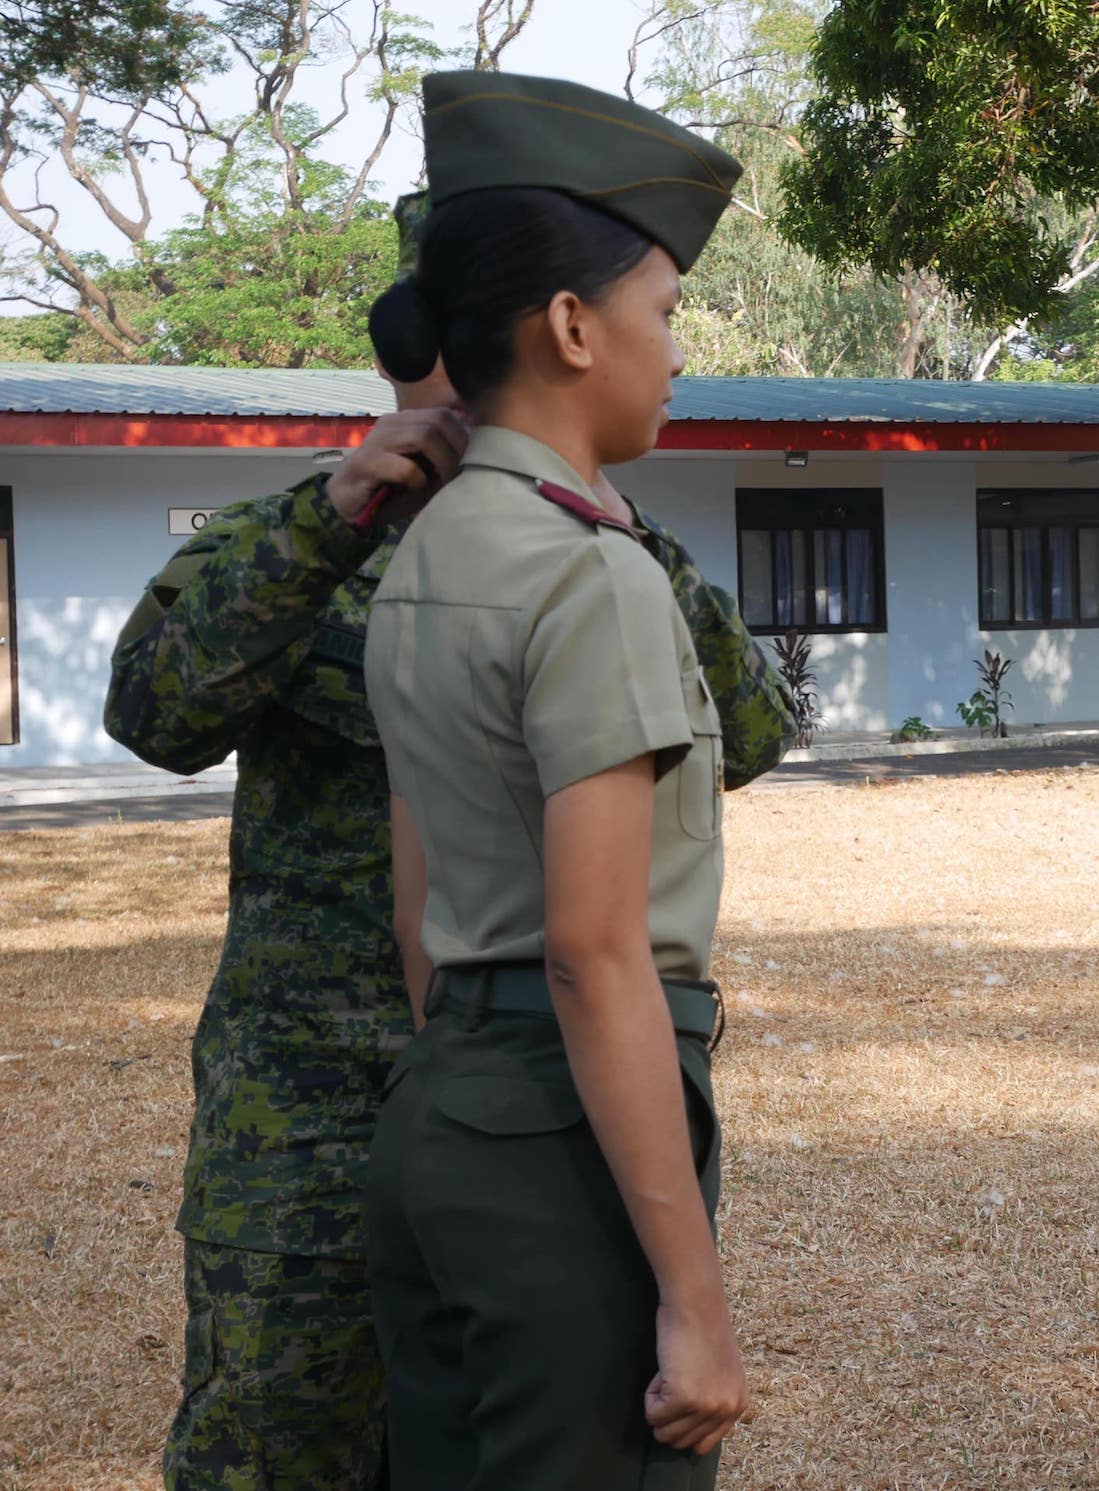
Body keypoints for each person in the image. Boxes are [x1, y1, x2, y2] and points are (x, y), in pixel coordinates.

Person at [103, 195, 791, 1491]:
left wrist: (630, 540)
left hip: (532, 1095)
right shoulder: (321, 537)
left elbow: (750, 730)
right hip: (308, 1117)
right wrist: (334, 515)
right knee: (274, 1452)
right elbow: (156, 712)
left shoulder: (591, 547)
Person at [361, 70, 749, 1489]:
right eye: (662, 313)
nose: (673, 352)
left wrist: (466, 1076)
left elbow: (423, 905)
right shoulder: (590, 572)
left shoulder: (427, 551)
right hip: (568, 1128)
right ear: (574, 327)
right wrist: (696, 1303)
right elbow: (594, 954)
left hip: (445, 1108)